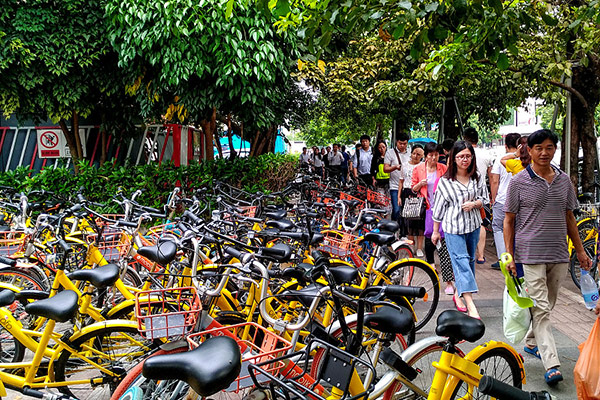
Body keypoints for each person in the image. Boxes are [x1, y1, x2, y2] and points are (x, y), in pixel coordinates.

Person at [503, 129, 592, 386]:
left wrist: (581, 251)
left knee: (548, 304)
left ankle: (532, 341)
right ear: (529, 151)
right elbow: (509, 220)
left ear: (555, 150)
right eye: (539, 148)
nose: (544, 152)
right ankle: (552, 364)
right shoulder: (518, 182)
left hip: (558, 253)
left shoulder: (564, 181)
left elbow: (569, 217)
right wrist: (509, 255)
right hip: (530, 254)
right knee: (541, 308)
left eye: (549, 147)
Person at [431, 140, 488, 319]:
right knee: (461, 262)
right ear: (453, 158)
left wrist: (475, 204)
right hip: (453, 228)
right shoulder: (445, 182)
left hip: (473, 226)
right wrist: (435, 231)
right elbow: (438, 209)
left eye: (468, 156)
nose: (465, 160)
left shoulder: (477, 177)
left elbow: (485, 198)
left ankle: (458, 294)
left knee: (469, 261)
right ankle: (471, 305)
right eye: (461, 156)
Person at [488, 133, 520, 270]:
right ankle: (517, 258)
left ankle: (503, 258)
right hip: (518, 200)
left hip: (502, 199)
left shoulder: (501, 159)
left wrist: (493, 198)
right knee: (517, 228)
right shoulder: (524, 159)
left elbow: (495, 180)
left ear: (506, 146)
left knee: (498, 228)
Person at [411, 142, 446, 258]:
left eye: (436, 155)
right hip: (426, 206)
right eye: (431, 155)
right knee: (428, 234)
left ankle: (443, 259)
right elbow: (413, 189)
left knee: (442, 234)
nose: (434, 158)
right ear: (426, 156)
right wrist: (420, 184)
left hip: (441, 206)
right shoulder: (418, 169)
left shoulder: (443, 168)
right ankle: (430, 261)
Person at [463, 127, 492, 265]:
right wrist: (492, 196)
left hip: (464, 192)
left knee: (465, 223)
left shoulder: (462, 153)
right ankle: (480, 255)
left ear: (464, 138)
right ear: (477, 139)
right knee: (481, 224)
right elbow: (492, 178)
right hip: (482, 193)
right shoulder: (486, 155)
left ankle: (467, 254)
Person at [384, 133, 410, 223]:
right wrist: (395, 167)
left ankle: (402, 229)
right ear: (396, 142)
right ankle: (394, 225)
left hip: (407, 186)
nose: (402, 146)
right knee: (396, 209)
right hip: (394, 186)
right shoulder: (390, 153)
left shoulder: (410, 153)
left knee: (406, 211)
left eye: (404, 144)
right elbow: (385, 169)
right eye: (400, 143)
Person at [399, 145, 424, 240]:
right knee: (408, 219)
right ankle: (409, 241)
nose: (416, 156)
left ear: (422, 156)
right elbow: (401, 181)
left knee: (419, 220)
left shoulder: (423, 166)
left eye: (419, 154)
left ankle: (419, 245)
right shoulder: (404, 165)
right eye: (414, 153)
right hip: (407, 192)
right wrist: (399, 196)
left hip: (419, 193)